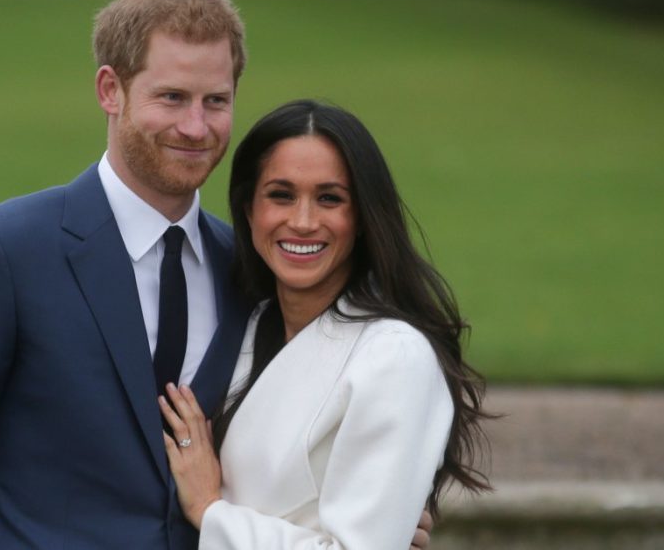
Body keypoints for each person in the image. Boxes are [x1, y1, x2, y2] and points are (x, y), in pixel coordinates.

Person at [0, 0, 435, 549]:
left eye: (215, 100)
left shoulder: (250, 270)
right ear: (110, 90)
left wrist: (376, 520)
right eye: (172, 97)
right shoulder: (1, 254)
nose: (196, 127)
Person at [159, 99, 491, 549]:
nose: (302, 221)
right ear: (248, 208)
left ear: (362, 218)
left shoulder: (393, 356)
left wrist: (210, 511)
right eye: (281, 195)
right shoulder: (243, 323)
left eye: (329, 198)